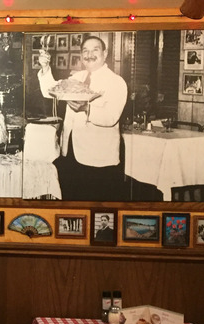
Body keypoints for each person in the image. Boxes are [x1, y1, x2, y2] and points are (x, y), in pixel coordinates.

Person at [38, 35, 128, 201]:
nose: (89, 55)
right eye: (85, 51)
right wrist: (45, 68)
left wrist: (86, 108)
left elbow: (111, 117)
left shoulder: (116, 82)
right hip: (70, 153)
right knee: (72, 203)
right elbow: (50, 91)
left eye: (95, 50)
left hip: (98, 160)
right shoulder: (77, 78)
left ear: (105, 53)